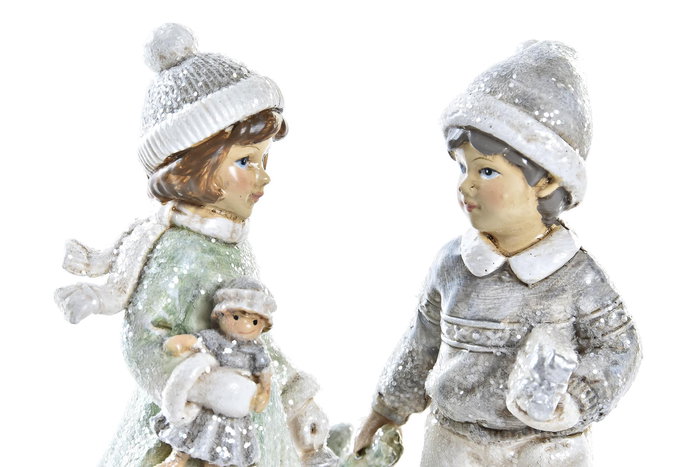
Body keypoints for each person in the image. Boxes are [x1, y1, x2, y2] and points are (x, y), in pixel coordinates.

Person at [55, 23, 336, 467]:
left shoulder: (230, 246)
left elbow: (250, 342)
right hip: (188, 426)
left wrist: (296, 400)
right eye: (245, 161)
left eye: (264, 159)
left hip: (246, 420)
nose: (263, 176)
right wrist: (203, 387)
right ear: (192, 169)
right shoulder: (177, 252)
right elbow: (143, 339)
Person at [354, 41, 641, 466]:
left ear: (546, 180)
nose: (465, 185)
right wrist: (387, 409)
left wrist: (573, 401)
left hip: (544, 448)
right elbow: (422, 342)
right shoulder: (452, 265)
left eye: (486, 171)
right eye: (462, 167)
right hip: (455, 442)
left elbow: (620, 349)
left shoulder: (577, 277)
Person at [153, 277, 275, 467]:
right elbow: (196, 342)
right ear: (221, 315)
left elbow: (264, 374)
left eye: (253, 321)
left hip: (234, 409)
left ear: (263, 325)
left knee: (222, 445)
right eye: (236, 317)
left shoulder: (256, 351)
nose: (245, 326)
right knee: (190, 429)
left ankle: (214, 464)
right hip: (207, 398)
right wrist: (182, 343)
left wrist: (264, 391)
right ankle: (177, 458)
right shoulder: (216, 339)